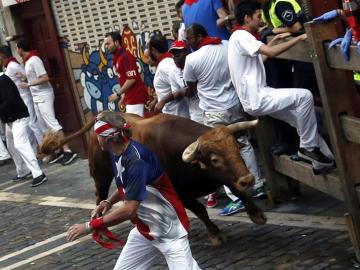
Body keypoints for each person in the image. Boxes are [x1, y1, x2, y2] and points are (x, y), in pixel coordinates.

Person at [67, 111, 201, 270]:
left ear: (108, 138)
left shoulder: (136, 160)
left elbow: (128, 210)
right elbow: (128, 185)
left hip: (169, 232)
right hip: (145, 231)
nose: (96, 139)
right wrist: (108, 202)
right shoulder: (116, 152)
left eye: (98, 135)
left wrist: (89, 226)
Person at [228, 0, 335, 174]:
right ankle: (307, 148)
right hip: (258, 97)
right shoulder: (241, 36)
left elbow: (259, 59)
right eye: (257, 16)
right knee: (305, 96)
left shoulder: (236, 37)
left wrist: (275, 40)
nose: (261, 20)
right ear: (247, 18)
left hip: (255, 98)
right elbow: (269, 54)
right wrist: (299, 37)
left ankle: (324, 160)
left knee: (300, 122)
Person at [184, 23, 266, 215]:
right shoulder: (226, 45)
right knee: (243, 143)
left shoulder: (193, 59)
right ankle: (258, 183)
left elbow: (191, 85)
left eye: (190, 39)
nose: (189, 42)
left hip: (213, 112)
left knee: (220, 153)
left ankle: (236, 196)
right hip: (234, 104)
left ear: (198, 36)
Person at [16, 38, 77, 166]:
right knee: (44, 126)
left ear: (21, 49)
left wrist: (28, 84)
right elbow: (35, 77)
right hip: (37, 97)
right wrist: (24, 77)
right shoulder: (28, 62)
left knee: (52, 124)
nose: (16, 50)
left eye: (17, 48)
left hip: (44, 96)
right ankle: (56, 151)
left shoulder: (34, 60)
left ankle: (67, 150)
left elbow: (45, 78)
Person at [0, 72, 47, 186]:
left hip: (18, 117)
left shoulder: (2, 80)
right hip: (11, 119)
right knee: (11, 145)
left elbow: (10, 100)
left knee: (20, 144)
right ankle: (23, 171)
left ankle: (38, 174)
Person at [0, 45, 44, 146]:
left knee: (32, 123)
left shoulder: (12, 65)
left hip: (25, 97)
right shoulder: (8, 66)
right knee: (28, 127)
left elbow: (28, 77)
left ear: (2, 55)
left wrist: (25, 80)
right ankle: (35, 148)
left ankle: (44, 148)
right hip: (21, 98)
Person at [104, 32, 148, 117]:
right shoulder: (119, 58)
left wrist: (117, 94)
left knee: (134, 127)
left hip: (135, 98)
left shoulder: (125, 57)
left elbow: (132, 78)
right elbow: (126, 79)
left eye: (108, 44)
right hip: (131, 99)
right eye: (105, 45)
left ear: (116, 43)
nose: (106, 47)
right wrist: (123, 97)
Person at [147, 34, 190, 117]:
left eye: (148, 49)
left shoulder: (165, 65)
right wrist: (157, 99)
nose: (147, 52)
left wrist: (162, 101)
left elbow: (182, 86)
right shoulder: (166, 62)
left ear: (153, 49)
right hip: (175, 116)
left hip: (177, 116)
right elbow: (171, 87)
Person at [169, 40, 203, 123]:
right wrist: (182, 92)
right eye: (173, 53)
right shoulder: (172, 72)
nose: (175, 55)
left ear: (186, 51)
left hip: (209, 107)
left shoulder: (195, 63)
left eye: (178, 51)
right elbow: (176, 96)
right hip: (195, 113)